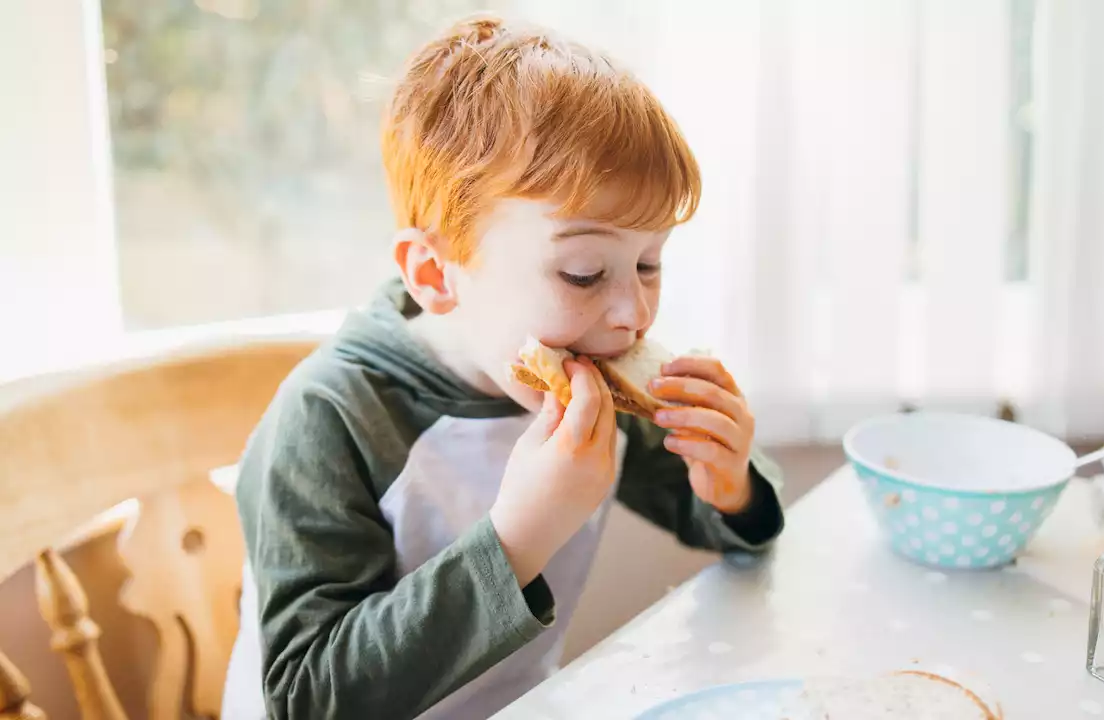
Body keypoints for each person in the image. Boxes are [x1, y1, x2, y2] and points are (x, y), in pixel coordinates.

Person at [221, 14, 785, 719]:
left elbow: (717, 521)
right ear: (435, 272)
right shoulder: (330, 419)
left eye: (648, 263)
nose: (632, 313)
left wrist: (728, 483)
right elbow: (307, 698)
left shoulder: (596, 379)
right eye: (583, 273)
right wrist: (519, 537)